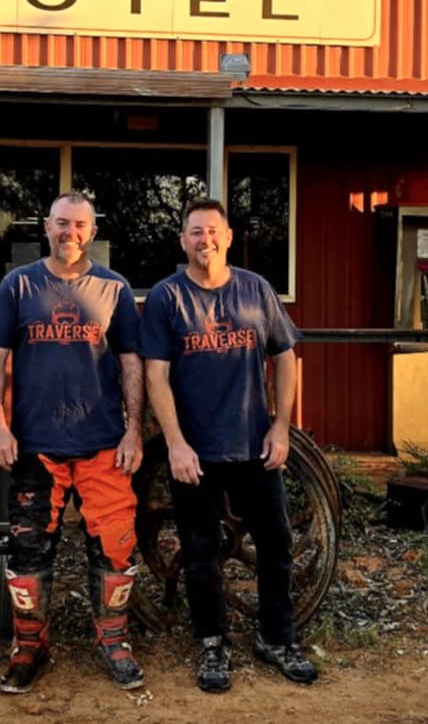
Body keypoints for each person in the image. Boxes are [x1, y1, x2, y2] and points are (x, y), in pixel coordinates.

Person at [139, 197, 317, 693]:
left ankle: (276, 637)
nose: (206, 240)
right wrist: (175, 443)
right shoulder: (167, 297)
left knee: (276, 545)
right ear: (183, 241)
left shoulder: (256, 289)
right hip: (194, 453)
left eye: (213, 230)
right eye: (196, 232)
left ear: (229, 237)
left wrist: (280, 427)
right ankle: (212, 643)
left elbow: (286, 356)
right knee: (200, 551)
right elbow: (155, 375)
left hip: (254, 445)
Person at [0, 191, 145, 695]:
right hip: (36, 446)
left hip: (104, 443)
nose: (69, 232)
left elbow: (132, 362)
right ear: (46, 228)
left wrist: (134, 429)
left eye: (79, 225)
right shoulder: (18, 285)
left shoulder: (114, 288)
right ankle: (29, 646)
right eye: (61, 223)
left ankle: (114, 641)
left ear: (92, 232)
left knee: (115, 548)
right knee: (28, 552)